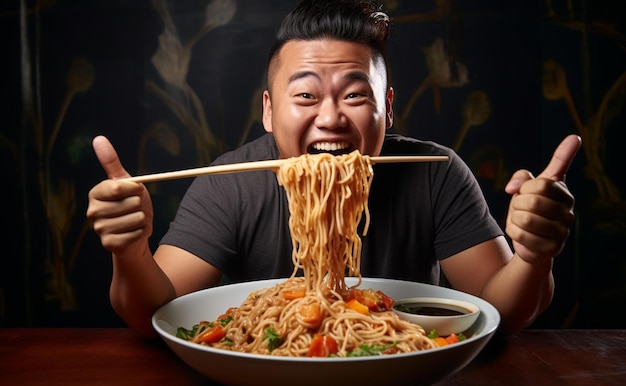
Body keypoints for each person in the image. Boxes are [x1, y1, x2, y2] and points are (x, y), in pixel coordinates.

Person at [87, 0, 581, 338]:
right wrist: (130, 252)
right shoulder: (232, 180)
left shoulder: (435, 172)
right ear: (268, 110)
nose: (329, 117)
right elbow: (154, 311)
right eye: (305, 95)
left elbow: (502, 311)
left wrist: (535, 256)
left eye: (353, 94)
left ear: (387, 108)